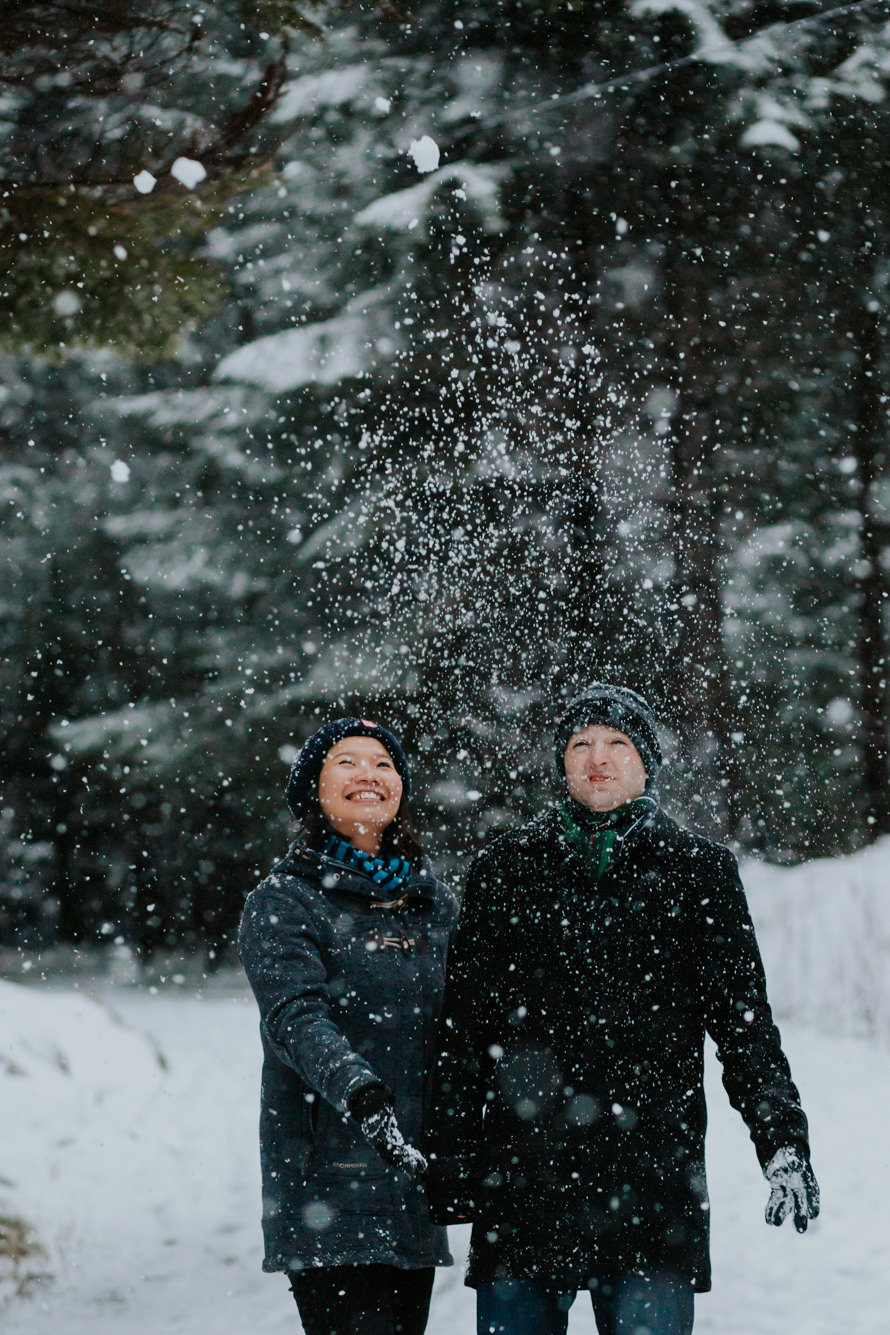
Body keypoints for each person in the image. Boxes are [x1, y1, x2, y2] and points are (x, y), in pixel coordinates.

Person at [427, 683, 819, 1335]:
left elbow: (745, 1028)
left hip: (651, 1185)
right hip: (527, 1179)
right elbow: (464, 1027)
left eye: (617, 742)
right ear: (562, 763)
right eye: (580, 744)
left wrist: (781, 1138)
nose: (597, 757)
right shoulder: (505, 868)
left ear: (647, 763)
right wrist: (450, 1161)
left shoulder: (700, 872)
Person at [239, 716, 458, 1335]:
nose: (369, 774)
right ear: (314, 789)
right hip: (325, 1179)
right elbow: (293, 1015)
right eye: (347, 762)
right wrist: (359, 1090)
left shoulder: (431, 902)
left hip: (412, 1172)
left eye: (384, 764)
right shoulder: (284, 899)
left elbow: (468, 1023)